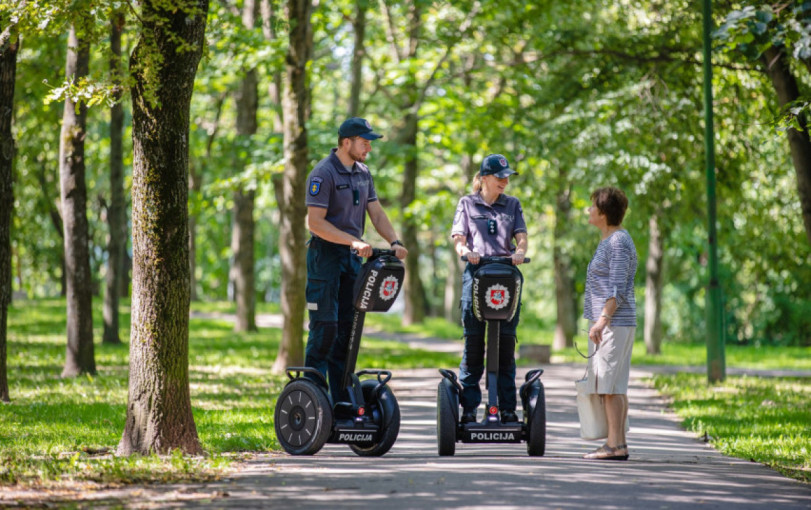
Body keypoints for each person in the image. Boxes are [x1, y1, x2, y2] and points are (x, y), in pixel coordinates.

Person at [304, 117, 408, 403]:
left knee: (347, 332)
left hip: (353, 259)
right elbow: (315, 223)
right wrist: (353, 240)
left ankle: (340, 401)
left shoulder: (363, 173)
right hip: (325, 256)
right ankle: (313, 399)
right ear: (346, 142)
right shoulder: (322, 174)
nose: (369, 149)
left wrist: (394, 242)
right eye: (365, 143)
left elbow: (376, 212)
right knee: (325, 328)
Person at [450, 154, 528, 424]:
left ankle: (507, 408)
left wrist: (519, 252)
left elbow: (521, 238)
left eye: (507, 177)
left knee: (506, 345)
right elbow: (459, 239)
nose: (505, 182)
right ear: (484, 178)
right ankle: (469, 409)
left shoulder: (512, 204)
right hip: (477, 274)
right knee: (473, 345)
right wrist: (467, 251)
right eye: (499, 177)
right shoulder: (467, 203)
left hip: (506, 275)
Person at [582, 186, 638, 461]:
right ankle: (619, 443)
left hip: (614, 324)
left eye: (593, 206)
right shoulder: (614, 240)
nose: (589, 210)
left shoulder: (617, 242)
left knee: (608, 387)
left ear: (603, 213)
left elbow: (616, 288)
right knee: (615, 386)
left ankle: (614, 445)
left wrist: (601, 321)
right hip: (616, 323)